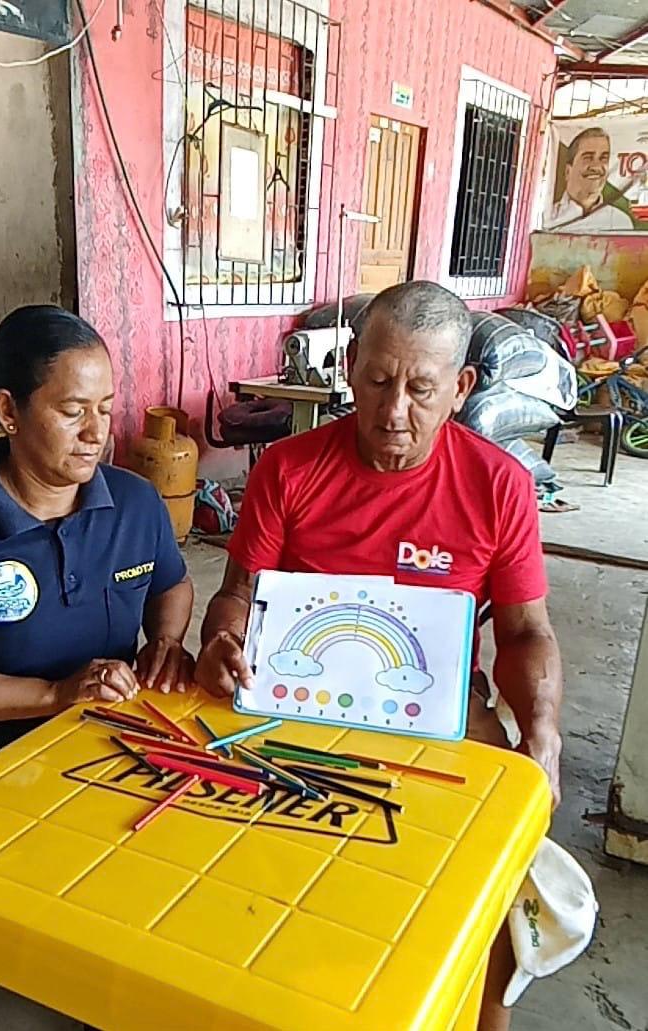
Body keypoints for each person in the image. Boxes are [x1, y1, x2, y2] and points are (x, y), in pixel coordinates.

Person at [195, 281, 563, 1031]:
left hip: (443, 710)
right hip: (297, 705)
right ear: (350, 369)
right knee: (245, 860)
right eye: (377, 381)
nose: (394, 410)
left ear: (460, 387)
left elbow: (526, 632)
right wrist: (222, 639)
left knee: (495, 864)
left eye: (421, 388)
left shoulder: (499, 485)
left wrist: (543, 735)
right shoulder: (288, 468)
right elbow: (236, 592)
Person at [0, 305, 194, 809]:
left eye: (105, 408)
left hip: (96, 744)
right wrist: (54, 694)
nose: (96, 432)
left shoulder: (135, 504)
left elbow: (171, 584)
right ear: (9, 412)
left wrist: (166, 640)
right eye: (73, 412)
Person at [546, 127, 633, 233]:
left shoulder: (620, 222)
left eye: (603, 158)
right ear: (568, 171)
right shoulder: (547, 217)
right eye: (588, 157)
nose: (596, 166)